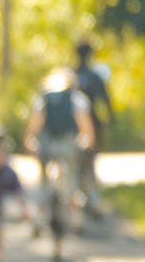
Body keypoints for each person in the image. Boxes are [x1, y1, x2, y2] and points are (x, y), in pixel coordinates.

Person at [30, 65, 97, 227]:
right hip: (68, 144)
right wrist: (88, 143)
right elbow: (86, 128)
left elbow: (34, 125)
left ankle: (38, 219)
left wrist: (30, 140)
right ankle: (76, 218)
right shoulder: (77, 99)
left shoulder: (43, 98)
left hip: (47, 144)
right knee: (72, 179)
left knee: (44, 182)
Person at [74, 37, 115, 210]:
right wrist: (111, 118)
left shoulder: (70, 75)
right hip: (92, 126)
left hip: (72, 127)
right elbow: (105, 100)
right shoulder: (95, 77)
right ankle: (92, 200)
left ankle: (79, 197)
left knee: (74, 164)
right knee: (89, 163)